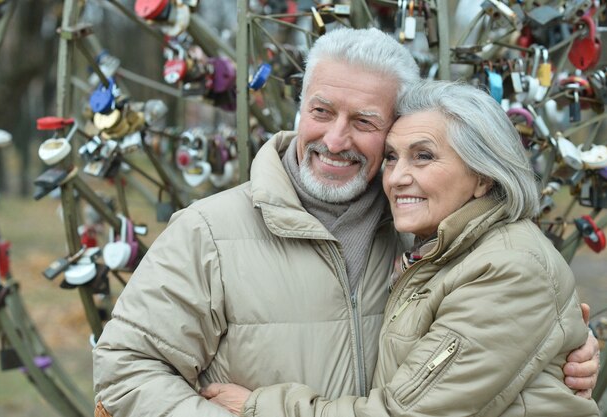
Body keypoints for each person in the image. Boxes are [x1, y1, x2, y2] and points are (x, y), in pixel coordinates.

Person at [92, 28, 599, 417]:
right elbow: (125, 370)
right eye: (322, 111)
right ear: (298, 110)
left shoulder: (428, 231)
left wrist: (562, 346)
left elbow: (507, 318)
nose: (335, 140)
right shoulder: (209, 231)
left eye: (364, 122)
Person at [200, 80, 601, 416]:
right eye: (391, 157)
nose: (397, 178)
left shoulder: (508, 267)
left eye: (423, 156)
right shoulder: (440, 251)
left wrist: (258, 407)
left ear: (483, 177)